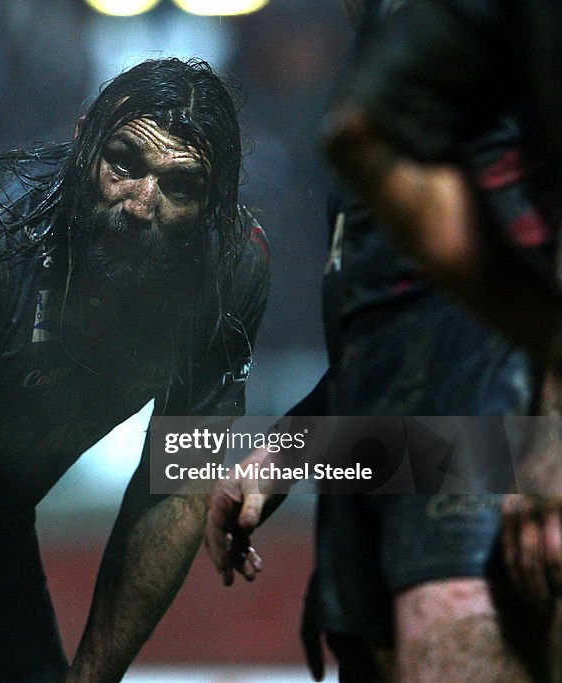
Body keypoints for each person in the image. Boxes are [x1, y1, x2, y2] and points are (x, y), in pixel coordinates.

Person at [0, 58, 269, 683]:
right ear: (83, 144)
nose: (139, 205)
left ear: (213, 205)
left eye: (180, 187)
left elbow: (179, 483)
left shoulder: (229, 275)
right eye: (124, 163)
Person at [207, 2, 560, 681]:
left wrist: (552, 438)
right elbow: (391, 335)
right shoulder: (388, 74)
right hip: (391, 492)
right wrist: (287, 448)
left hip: (496, 470)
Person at [322, 0, 562, 606]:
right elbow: (387, 352)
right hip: (393, 512)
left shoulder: (503, 106)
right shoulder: (387, 135)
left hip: (486, 505)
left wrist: (549, 441)